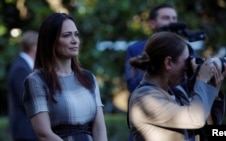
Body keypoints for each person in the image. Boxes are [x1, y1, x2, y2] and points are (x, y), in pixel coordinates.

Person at [22, 13, 108, 141]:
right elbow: (44, 134)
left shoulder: (88, 78)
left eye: (76, 34)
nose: (75, 40)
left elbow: (99, 128)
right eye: (67, 35)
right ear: (51, 41)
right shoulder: (36, 80)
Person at [127, 31, 226, 141]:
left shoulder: (177, 93)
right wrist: (201, 80)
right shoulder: (144, 98)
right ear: (168, 63)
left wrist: (212, 89)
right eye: (186, 61)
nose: (187, 67)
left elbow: (207, 133)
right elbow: (195, 119)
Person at [125, 3, 178, 94]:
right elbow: (132, 85)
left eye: (174, 18)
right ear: (152, 24)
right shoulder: (135, 49)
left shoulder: (185, 48)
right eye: (166, 18)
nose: (171, 22)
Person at [7, 30, 38, 141]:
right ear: (34, 47)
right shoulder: (21, 68)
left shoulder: (23, 66)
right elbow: (26, 100)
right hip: (25, 132)